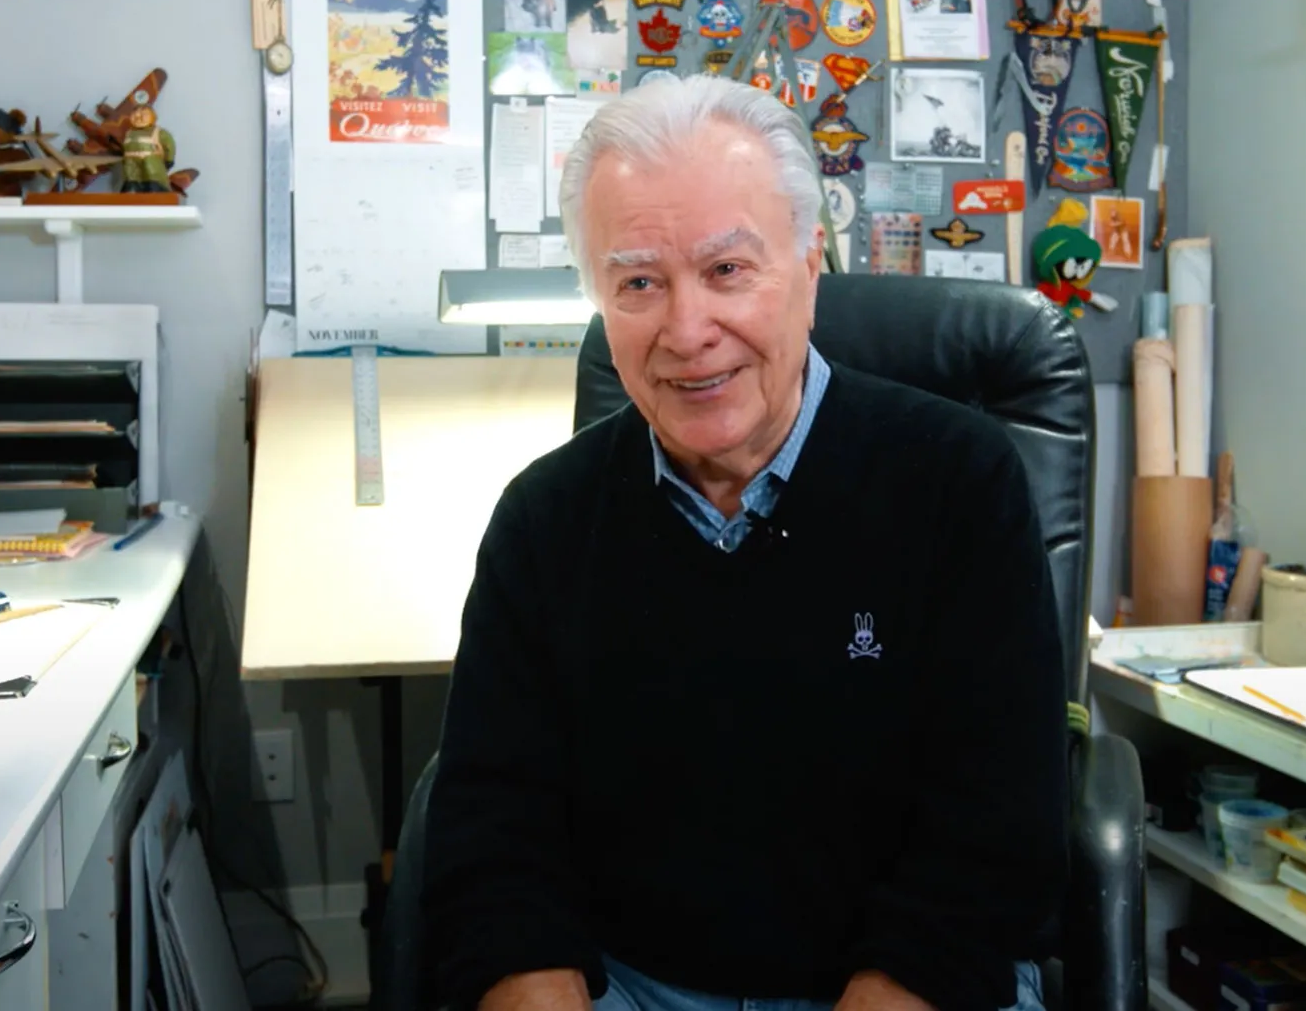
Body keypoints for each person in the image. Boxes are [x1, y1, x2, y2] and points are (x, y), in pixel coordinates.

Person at [422, 73, 1066, 1011]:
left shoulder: (957, 481)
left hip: (907, 981)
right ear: (599, 298)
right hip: (637, 985)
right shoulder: (543, 520)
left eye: (728, 271)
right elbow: (495, 835)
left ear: (810, 263)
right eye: (639, 282)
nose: (688, 331)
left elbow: (992, 839)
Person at [119, 105, 175, 193]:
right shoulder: (129, 133)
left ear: (152, 116)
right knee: (130, 181)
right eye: (135, 114)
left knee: (152, 178)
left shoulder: (159, 132)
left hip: (151, 162)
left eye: (143, 114)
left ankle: (154, 190)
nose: (138, 117)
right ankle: (131, 190)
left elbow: (169, 146)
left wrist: (169, 160)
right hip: (130, 164)